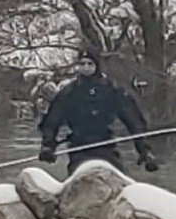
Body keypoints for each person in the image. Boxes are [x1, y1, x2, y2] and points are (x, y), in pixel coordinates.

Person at [37, 44, 160, 177]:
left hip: (106, 146)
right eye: (82, 64)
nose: (86, 68)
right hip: (79, 148)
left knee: (121, 178)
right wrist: (48, 146)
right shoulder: (69, 92)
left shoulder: (112, 90)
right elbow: (52, 121)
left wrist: (145, 151)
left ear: (97, 65)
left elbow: (133, 120)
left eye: (90, 64)